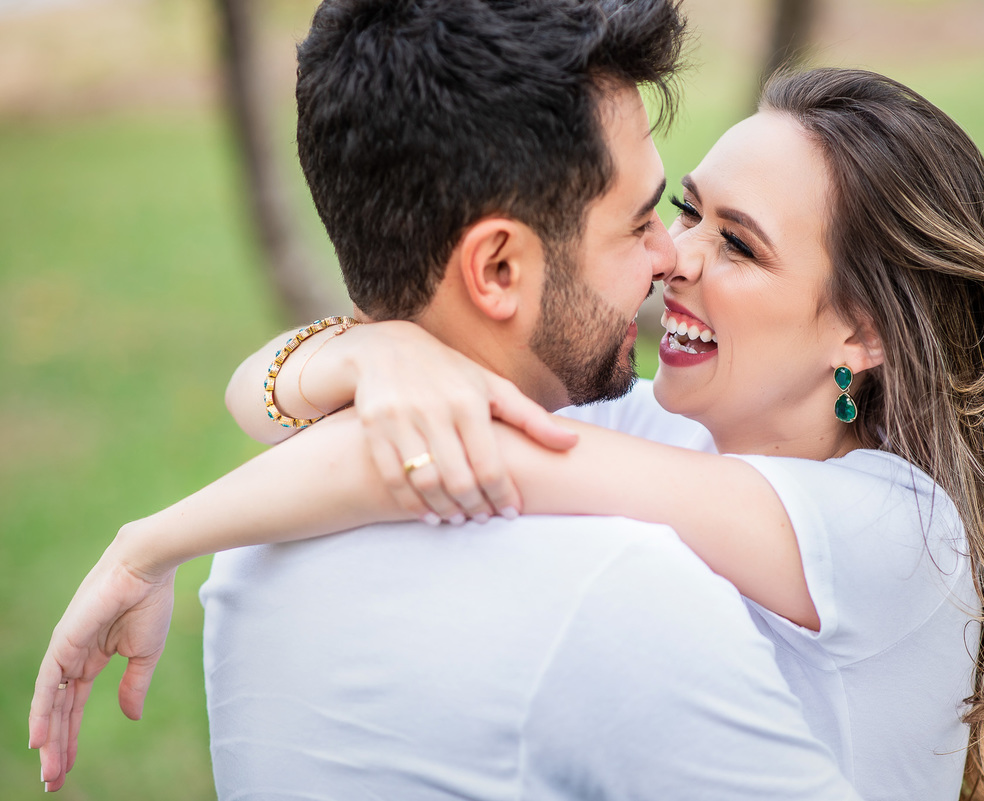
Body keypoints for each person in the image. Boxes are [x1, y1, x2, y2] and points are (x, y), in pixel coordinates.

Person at [30, 0, 863, 799]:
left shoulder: (253, 559)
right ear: (498, 269)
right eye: (640, 221)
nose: (667, 257)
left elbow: (266, 395)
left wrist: (367, 348)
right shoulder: (626, 594)